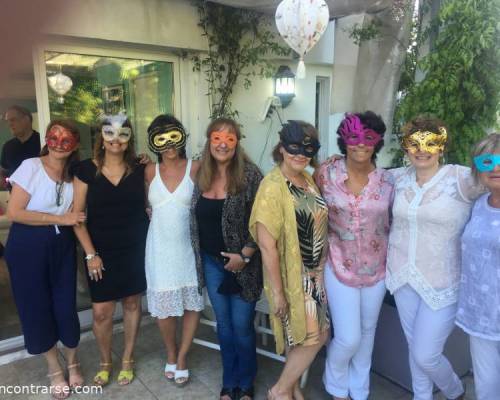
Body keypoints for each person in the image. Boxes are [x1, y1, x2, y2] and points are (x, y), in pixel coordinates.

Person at [385, 115, 484, 400]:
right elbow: (361, 177)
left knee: (425, 353)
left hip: (444, 281)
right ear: (406, 147)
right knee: (413, 346)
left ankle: (454, 390)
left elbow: (495, 183)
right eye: (414, 143)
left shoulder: (462, 178)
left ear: (441, 146)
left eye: (430, 142)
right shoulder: (397, 177)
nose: (422, 149)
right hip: (402, 276)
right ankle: (422, 396)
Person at [315, 112, 394, 400]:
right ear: (343, 141)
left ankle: (359, 389)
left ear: (378, 142)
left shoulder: (388, 180)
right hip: (337, 265)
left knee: (368, 332)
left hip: (377, 270)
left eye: (369, 138)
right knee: (348, 338)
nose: (361, 145)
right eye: (354, 138)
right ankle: (336, 384)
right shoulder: (327, 173)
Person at [4, 120, 85, 399]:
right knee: (36, 308)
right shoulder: (31, 166)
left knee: (65, 306)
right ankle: (54, 369)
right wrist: (61, 218)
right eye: (55, 136)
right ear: (47, 138)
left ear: (76, 144)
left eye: (68, 138)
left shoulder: (75, 174)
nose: (60, 143)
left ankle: (73, 362)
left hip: (61, 244)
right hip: (27, 245)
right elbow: (14, 212)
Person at [250, 121, 329, 400]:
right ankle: (280, 391)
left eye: (309, 148)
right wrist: (279, 294)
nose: (301, 154)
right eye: (294, 147)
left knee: (307, 336)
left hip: (315, 275)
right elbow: (267, 245)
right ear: (282, 148)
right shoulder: (272, 186)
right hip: (294, 278)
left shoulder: (306, 179)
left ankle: (292, 387)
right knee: (314, 337)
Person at [72, 113, 149, 387]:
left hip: (134, 248)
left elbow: (152, 202)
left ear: (129, 140)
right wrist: (91, 255)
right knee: (102, 311)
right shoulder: (84, 170)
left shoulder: (140, 169)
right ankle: (106, 361)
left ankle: (127, 357)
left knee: (131, 303)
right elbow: (76, 217)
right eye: (110, 133)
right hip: (100, 251)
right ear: (101, 138)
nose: (116, 140)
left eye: (123, 134)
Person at [191, 117, 263, 400]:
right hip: (212, 263)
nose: (223, 144)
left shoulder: (251, 175)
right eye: (217, 138)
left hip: (245, 264)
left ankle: (245, 383)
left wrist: (244, 255)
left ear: (237, 143)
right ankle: (229, 381)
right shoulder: (201, 176)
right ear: (209, 142)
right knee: (224, 325)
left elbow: (264, 221)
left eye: (229, 138)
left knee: (242, 326)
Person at [144, 114, 204, 387]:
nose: (169, 145)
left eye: (173, 137)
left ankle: (182, 356)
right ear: (153, 143)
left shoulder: (197, 168)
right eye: (161, 138)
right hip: (159, 249)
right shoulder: (147, 172)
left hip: (188, 249)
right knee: (164, 310)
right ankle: (170, 350)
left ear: (182, 137)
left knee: (191, 305)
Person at [456, 133, 500, 400]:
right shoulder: (476, 206)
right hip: (481, 311)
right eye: (487, 161)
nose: (495, 168)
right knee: (486, 386)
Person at [1, 105, 41, 188]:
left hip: (41, 196)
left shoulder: (42, 142)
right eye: (7, 121)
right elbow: (4, 170)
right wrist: (2, 179)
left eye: (13, 120)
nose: (9, 124)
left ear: (26, 119)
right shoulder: (8, 146)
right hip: (15, 197)